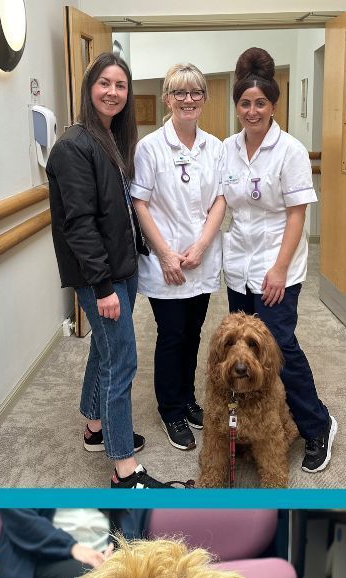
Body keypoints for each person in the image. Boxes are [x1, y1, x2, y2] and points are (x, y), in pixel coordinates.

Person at [47, 54, 186, 490]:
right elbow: (80, 224)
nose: (113, 92)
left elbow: (120, 210)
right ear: (90, 88)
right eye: (104, 83)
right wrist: (104, 287)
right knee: (122, 360)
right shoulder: (74, 146)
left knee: (104, 352)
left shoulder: (108, 139)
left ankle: (95, 428)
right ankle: (125, 470)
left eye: (121, 85)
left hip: (122, 270)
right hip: (100, 277)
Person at [220, 47, 337, 474]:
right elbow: (222, 202)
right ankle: (249, 421)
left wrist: (280, 269)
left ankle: (318, 425)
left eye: (260, 104)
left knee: (280, 348)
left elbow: (297, 213)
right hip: (238, 264)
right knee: (240, 350)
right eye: (245, 103)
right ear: (237, 106)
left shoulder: (290, 150)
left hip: (277, 265)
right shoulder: (228, 149)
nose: (252, 111)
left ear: (273, 106)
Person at [130, 62, 226, 453]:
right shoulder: (150, 147)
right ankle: (170, 408)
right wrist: (166, 255)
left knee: (193, 333)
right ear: (167, 98)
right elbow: (140, 202)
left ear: (204, 99)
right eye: (180, 93)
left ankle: (187, 399)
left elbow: (220, 199)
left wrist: (201, 245)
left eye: (196, 93)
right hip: (165, 262)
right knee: (171, 335)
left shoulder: (215, 146)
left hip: (200, 258)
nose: (188, 99)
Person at [0, 509, 148, 578]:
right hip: (45, 558)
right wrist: (72, 548)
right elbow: (23, 521)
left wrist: (120, 550)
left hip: (105, 553)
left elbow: (128, 515)